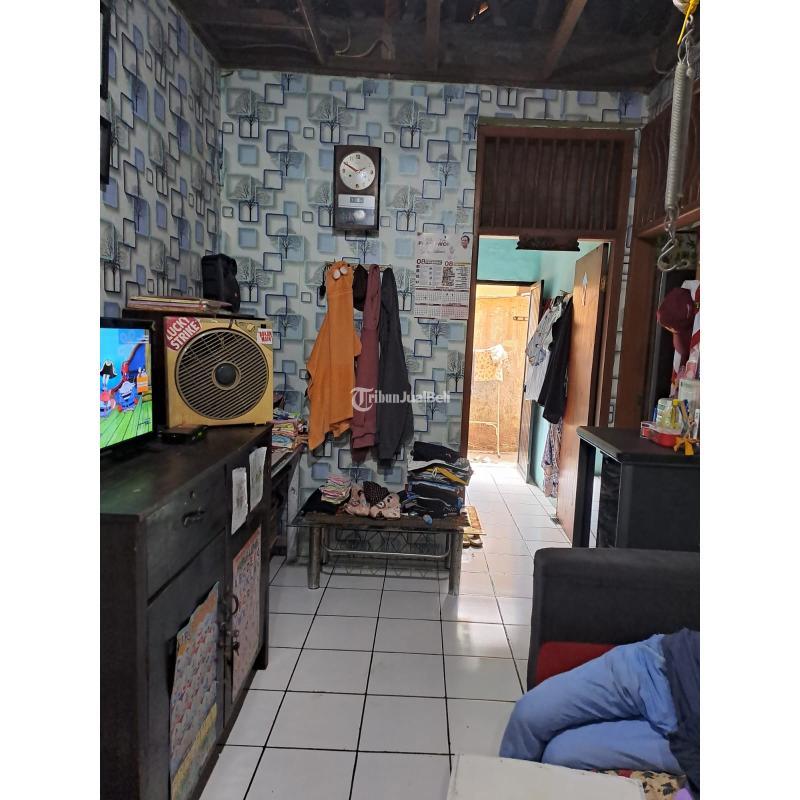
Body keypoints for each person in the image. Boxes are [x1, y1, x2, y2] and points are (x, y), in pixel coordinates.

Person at [500, 628, 699, 798]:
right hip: (660, 665)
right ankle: (504, 792)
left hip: (683, 736)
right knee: (528, 714)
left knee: (559, 755)